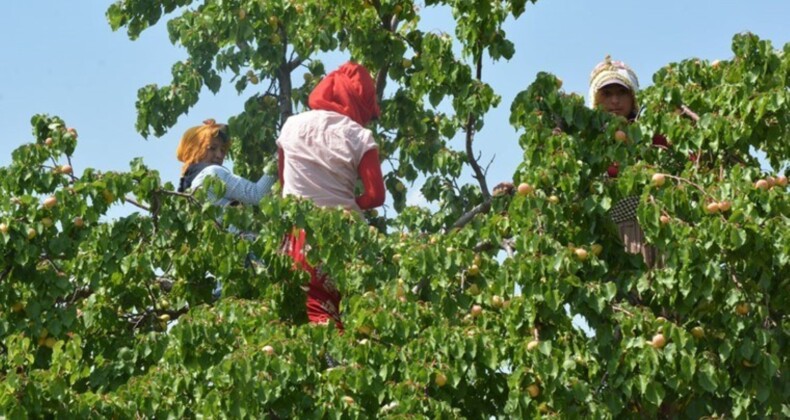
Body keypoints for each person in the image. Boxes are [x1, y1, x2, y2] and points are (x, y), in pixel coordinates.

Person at [276, 62, 385, 329]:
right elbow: (375, 196)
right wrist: (348, 204)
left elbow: (283, 184)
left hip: (295, 238)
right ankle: (339, 364)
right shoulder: (359, 136)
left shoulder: (290, 125)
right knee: (349, 317)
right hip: (343, 239)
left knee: (296, 312)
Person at [176, 119, 277, 298]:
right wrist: (279, 158)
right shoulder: (213, 173)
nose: (219, 155)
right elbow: (257, 193)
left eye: (222, 150)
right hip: (239, 253)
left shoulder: (185, 187)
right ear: (194, 149)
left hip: (213, 267)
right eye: (212, 148)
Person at [589, 56, 666, 268]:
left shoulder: (650, 135)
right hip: (609, 239)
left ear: (633, 97)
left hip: (654, 233)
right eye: (607, 94)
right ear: (596, 99)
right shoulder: (587, 141)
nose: (615, 101)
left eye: (622, 93)